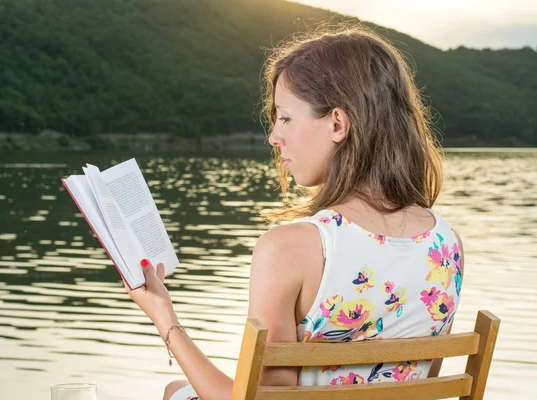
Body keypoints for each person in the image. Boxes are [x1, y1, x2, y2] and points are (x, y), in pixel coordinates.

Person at [123, 24, 464, 399]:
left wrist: (165, 319)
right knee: (180, 389)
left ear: (337, 123)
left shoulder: (291, 248)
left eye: (285, 117)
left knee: (177, 393)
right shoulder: (446, 243)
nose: (273, 136)